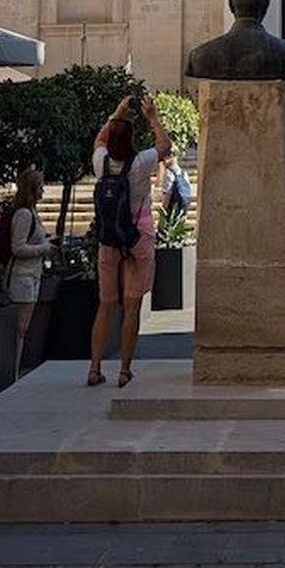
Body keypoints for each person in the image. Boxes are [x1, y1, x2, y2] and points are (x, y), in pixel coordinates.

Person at [89, 92, 172, 388]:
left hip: (110, 238)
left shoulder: (101, 162)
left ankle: (95, 368)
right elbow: (165, 145)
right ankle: (124, 370)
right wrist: (152, 118)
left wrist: (118, 112)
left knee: (105, 305)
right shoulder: (140, 163)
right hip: (138, 236)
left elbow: (99, 140)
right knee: (132, 306)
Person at [5, 167, 51, 378]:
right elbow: (18, 247)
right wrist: (44, 249)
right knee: (19, 328)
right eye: (40, 187)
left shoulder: (32, 212)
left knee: (23, 328)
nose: (43, 191)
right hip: (22, 277)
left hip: (32, 275)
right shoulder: (24, 214)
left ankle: (14, 371)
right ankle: (12, 373)